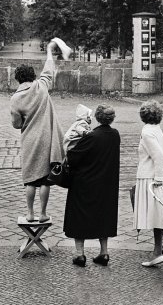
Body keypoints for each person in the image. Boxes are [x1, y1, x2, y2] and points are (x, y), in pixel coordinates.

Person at [10, 40, 64, 223]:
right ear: (33, 76)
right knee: (44, 179)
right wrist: (50, 51)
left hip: (30, 140)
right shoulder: (41, 87)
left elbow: (16, 124)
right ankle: (43, 213)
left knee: (30, 179)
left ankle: (30, 213)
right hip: (47, 139)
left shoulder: (16, 98)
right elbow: (49, 69)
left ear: (18, 79)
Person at [63, 104, 120, 267]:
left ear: (97, 117)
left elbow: (73, 157)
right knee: (104, 215)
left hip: (85, 182)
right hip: (106, 183)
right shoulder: (115, 135)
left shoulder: (92, 136)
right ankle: (104, 252)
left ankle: (79, 253)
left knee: (78, 216)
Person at [133, 100, 163, 267]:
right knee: (158, 217)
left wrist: (158, 179)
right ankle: (157, 252)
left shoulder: (147, 132)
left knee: (158, 217)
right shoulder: (156, 129)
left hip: (150, 178)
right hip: (153, 177)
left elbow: (159, 156)